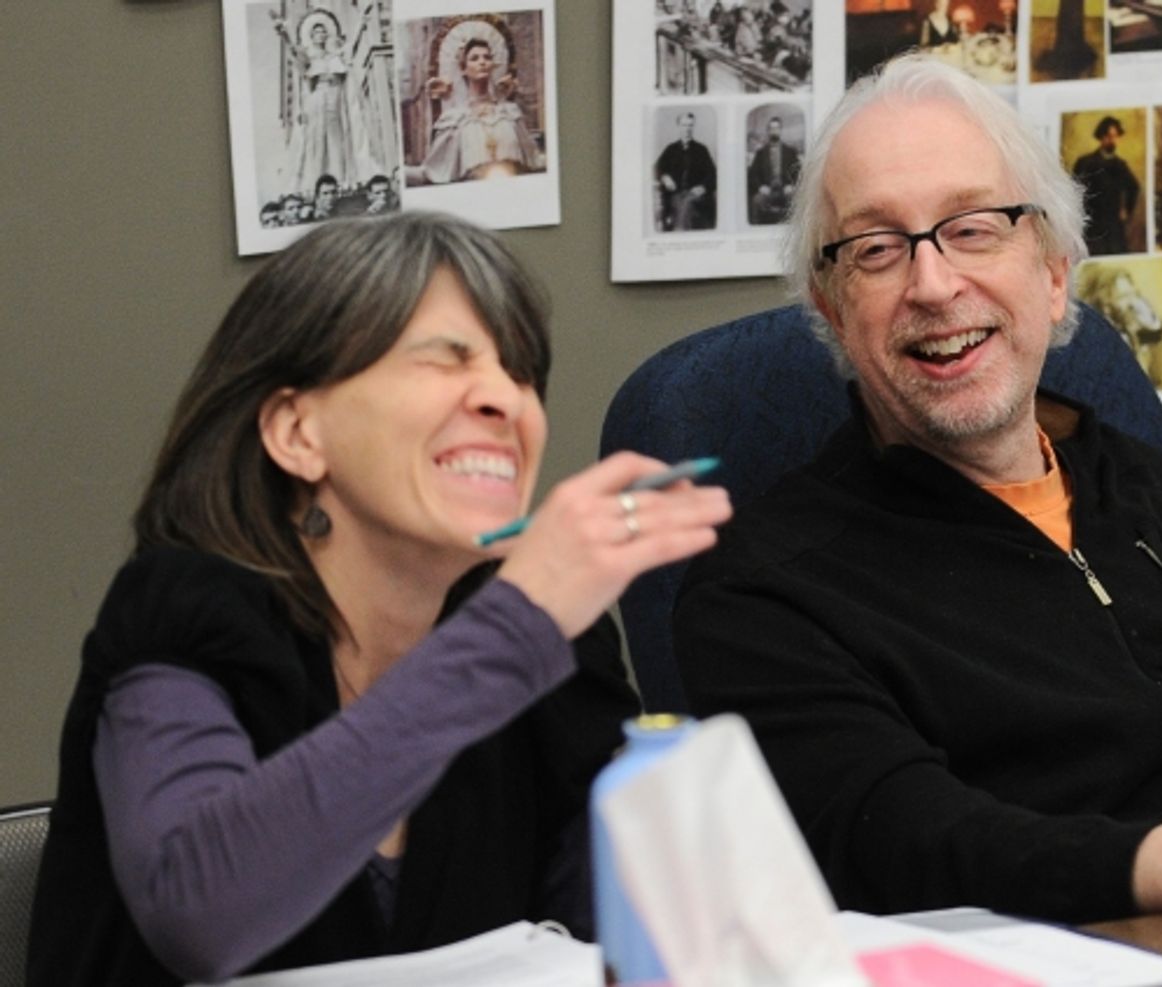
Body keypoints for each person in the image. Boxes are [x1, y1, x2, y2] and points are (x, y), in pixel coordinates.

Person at [672, 51, 1162, 940]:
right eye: (876, 249)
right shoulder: (762, 586)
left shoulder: (1144, 484)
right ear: (830, 310)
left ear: (1054, 275)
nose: (934, 284)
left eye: (974, 228)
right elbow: (901, 845)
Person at [26, 212, 732, 986]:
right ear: (298, 431)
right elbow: (201, 912)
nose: (505, 398)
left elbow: (622, 939)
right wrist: (520, 624)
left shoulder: (553, 639)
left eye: (520, 369)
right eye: (444, 361)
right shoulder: (188, 610)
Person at [407, 23, 545, 186]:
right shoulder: (454, 121)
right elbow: (432, 172)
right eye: (475, 58)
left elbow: (534, 159)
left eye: (487, 57)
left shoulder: (510, 114)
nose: (482, 62)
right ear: (464, 68)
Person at [271, 11, 376, 197]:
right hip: (317, 99)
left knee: (337, 139)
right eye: (317, 32)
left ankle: (341, 181)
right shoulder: (308, 57)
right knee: (316, 140)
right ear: (311, 36)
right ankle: (315, 184)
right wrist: (284, 33)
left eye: (323, 32)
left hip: (336, 99)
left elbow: (352, 48)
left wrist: (360, 25)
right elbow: (294, 55)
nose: (321, 35)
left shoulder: (335, 55)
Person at [1072, 115, 1139, 256]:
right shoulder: (1086, 162)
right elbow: (1074, 190)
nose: (1112, 140)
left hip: (1114, 224)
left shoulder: (1121, 165)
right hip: (1093, 224)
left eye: (1115, 136)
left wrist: (1126, 209)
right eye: (1108, 136)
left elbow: (1134, 187)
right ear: (1101, 137)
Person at [654, 111, 718, 232]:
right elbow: (656, 168)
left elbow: (713, 175)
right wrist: (664, 177)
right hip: (676, 193)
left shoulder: (701, 150)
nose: (687, 129)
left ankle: (679, 232)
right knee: (680, 203)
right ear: (679, 127)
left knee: (687, 203)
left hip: (696, 194)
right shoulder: (670, 149)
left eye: (690, 125)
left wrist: (703, 187)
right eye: (684, 125)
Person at [747, 116, 803, 225]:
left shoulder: (790, 152)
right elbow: (752, 175)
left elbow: (799, 172)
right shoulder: (760, 153)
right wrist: (760, 187)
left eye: (777, 128)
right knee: (756, 201)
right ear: (768, 131)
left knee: (795, 200)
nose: (774, 131)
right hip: (767, 189)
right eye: (771, 128)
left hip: (786, 188)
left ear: (781, 130)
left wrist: (791, 185)